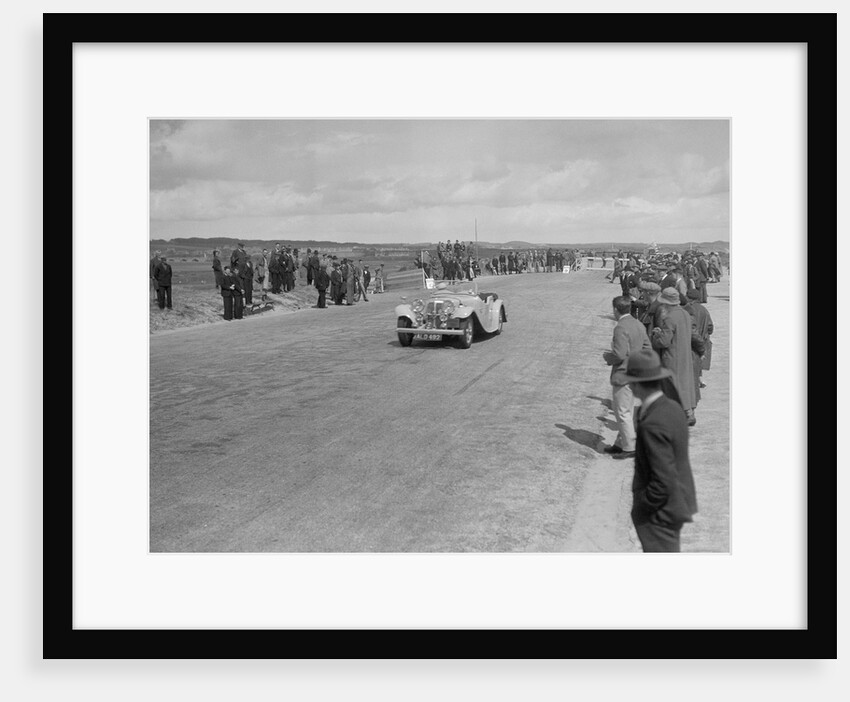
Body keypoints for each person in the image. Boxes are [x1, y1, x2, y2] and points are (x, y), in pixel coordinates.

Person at [620, 348, 698, 552]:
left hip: (659, 514)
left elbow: (662, 482)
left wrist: (640, 505)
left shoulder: (652, 423)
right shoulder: (673, 407)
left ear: (636, 385)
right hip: (675, 505)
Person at [602, 295, 652, 458]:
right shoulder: (637, 323)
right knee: (627, 411)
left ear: (616, 309)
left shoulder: (620, 327)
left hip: (623, 373)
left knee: (622, 411)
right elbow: (647, 347)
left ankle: (629, 447)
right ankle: (620, 443)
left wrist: (607, 357)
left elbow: (619, 354)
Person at [650, 287, 697, 426]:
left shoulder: (670, 317)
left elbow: (664, 342)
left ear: (666, 303)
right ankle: (689, 413)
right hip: (684, 354)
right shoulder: (685, 314)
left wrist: (656, 335)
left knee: (672, 387)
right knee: (685, 384)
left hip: (672, 356)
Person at [685, 288, 714, 390]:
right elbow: (710, 326)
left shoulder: (686, 309)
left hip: (690, 339)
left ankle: (695, 380)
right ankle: (698, 379)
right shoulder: (704, 310)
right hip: (702, 338)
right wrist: (706, 333)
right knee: (698, 359)